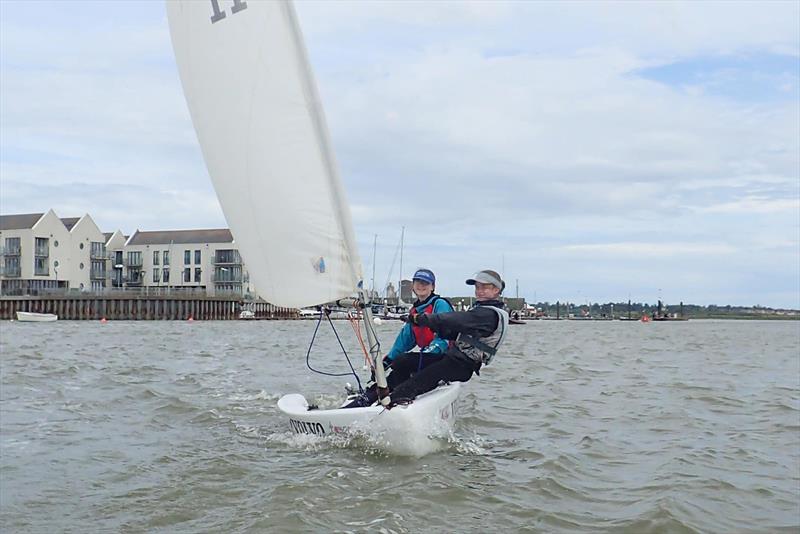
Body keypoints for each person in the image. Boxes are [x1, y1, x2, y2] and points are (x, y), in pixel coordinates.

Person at [383, 269, 509, 406]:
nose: (479, 291)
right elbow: (456, 332)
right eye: (477, 287)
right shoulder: (481, 309)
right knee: (402, 361)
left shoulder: (488, 314)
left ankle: (393, 404)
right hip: (452, 358)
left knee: (414, 384)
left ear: (496, 290)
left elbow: (456, 319)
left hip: (461, 365)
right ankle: (376, 396)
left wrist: (422, 319)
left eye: (484, 287)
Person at [344, 268, 454, 408]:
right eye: (418, 282)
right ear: (413, 286)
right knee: (392, 374)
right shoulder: (414, 311)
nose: (421, 285)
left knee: (403, 362)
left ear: (432, 287)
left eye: (425, 283)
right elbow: (404, 341)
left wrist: (425, 354)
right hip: (424, 359)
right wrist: (385, 363)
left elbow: (443, 339)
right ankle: (358, 405)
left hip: (441, 358)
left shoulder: (440, 304)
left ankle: (394, 399)